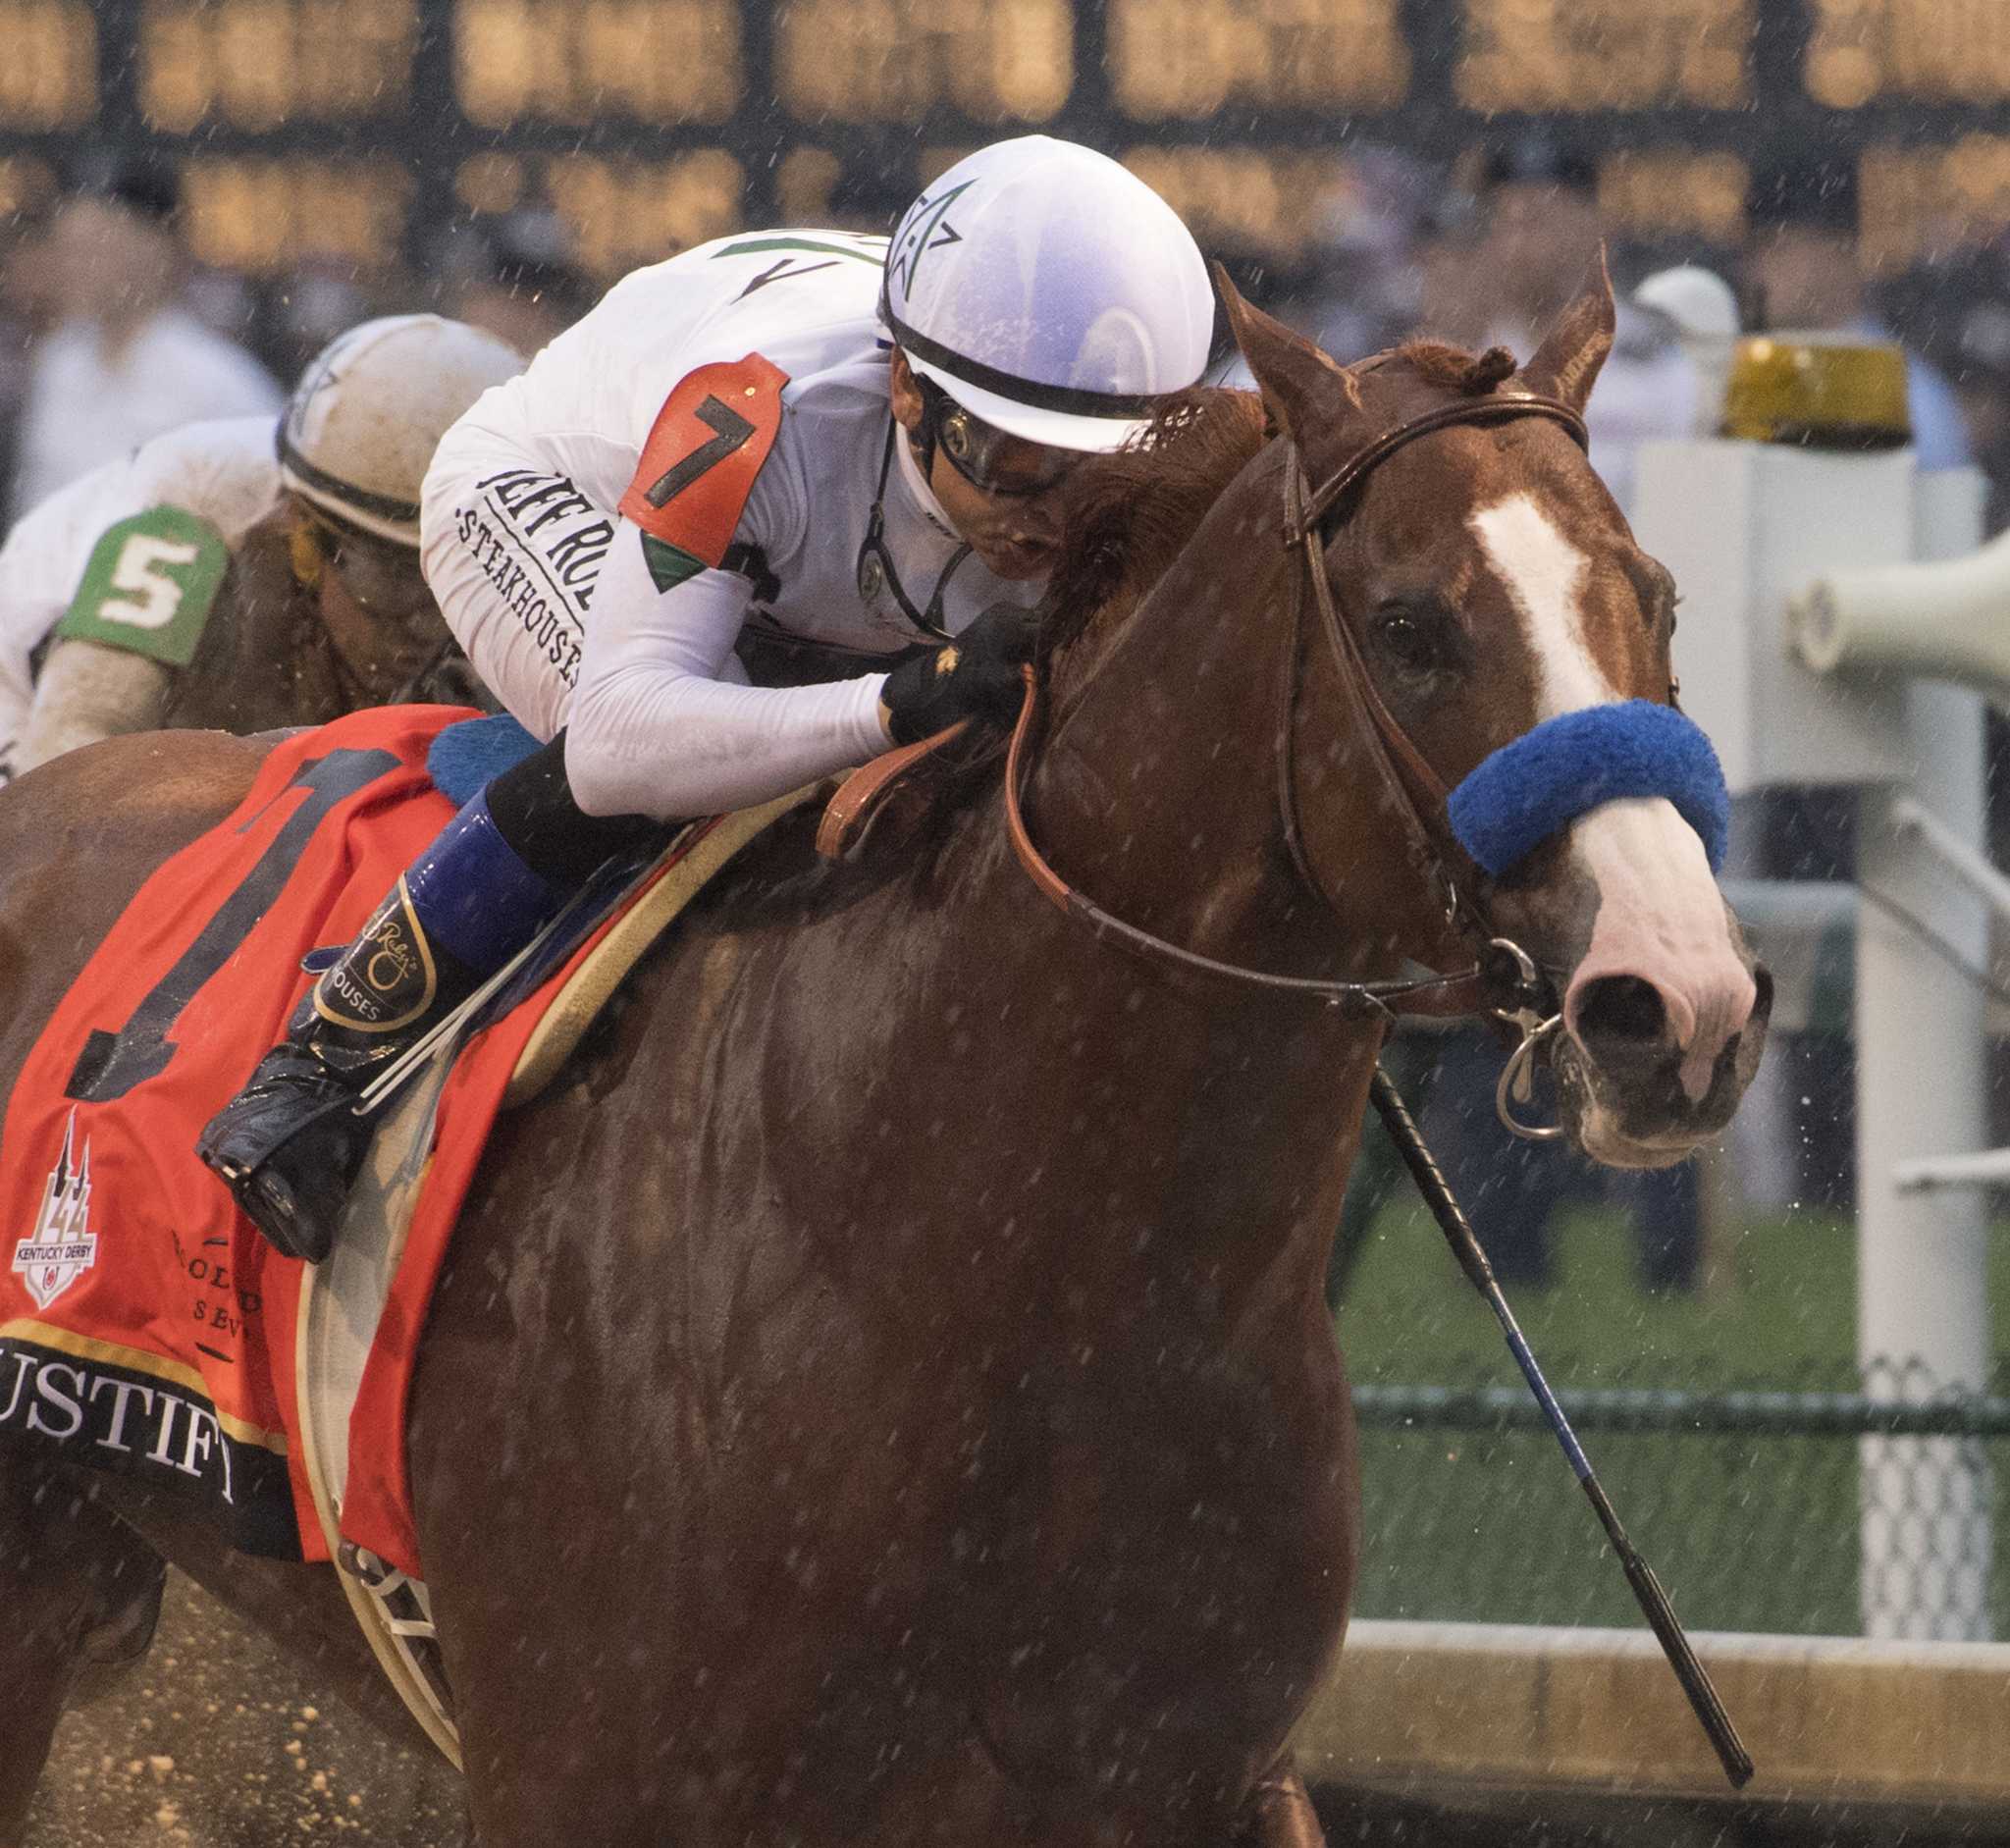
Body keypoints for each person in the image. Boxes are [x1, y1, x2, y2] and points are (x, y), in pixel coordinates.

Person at [198, 133, 1216, 1263]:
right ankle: (322, 1057)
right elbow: (626, 744)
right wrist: (896, 699)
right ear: (904, 387)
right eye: (1016, 460)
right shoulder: (755, 406)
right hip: (559, 491)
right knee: (696, 754)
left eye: (1098, 468)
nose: (1057, 517)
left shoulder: (1144, 451)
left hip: (803, 571)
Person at [0, 315, 523, 783]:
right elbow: (70, 766)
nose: (428, 624)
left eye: (460, 579)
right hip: (35, 700)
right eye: (397, 575)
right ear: (302, 533)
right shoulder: (190, 520)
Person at [10, 158, 283, 521]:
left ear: (154, 249)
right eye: (65, 247)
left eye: (93, 247)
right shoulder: (60, 364)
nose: (73, 265)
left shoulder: (218, 383)